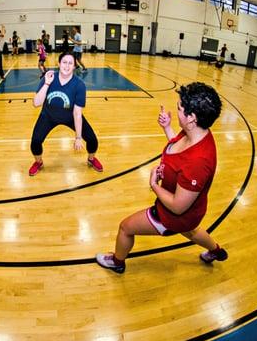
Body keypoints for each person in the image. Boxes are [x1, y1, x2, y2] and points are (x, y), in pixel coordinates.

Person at [96, 82, 226, 273]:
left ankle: (117, 262)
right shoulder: (197, 132)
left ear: (192, 118)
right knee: (191, 230)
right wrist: (167, 128)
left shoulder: (199, 162)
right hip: (193, 212)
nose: (177, 109)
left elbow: (177, 206)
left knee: (125, 227)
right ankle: (216, 251)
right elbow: (178, 149)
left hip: (174, 216)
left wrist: (154, 185)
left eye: (180, 108)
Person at [28, 52, 103, 176]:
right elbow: (36, 103)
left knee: (92, 140)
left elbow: (77, 113)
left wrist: (78, 137)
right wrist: (46, 83)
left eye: (70, 63)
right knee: (35, 142)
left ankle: (91, 159)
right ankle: (38, 162)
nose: (67, 66)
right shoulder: (49, 77)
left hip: (70, 117)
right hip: (48, 116)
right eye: (64, 62)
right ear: (59, 63)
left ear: (74, 66)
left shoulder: (79, 85)